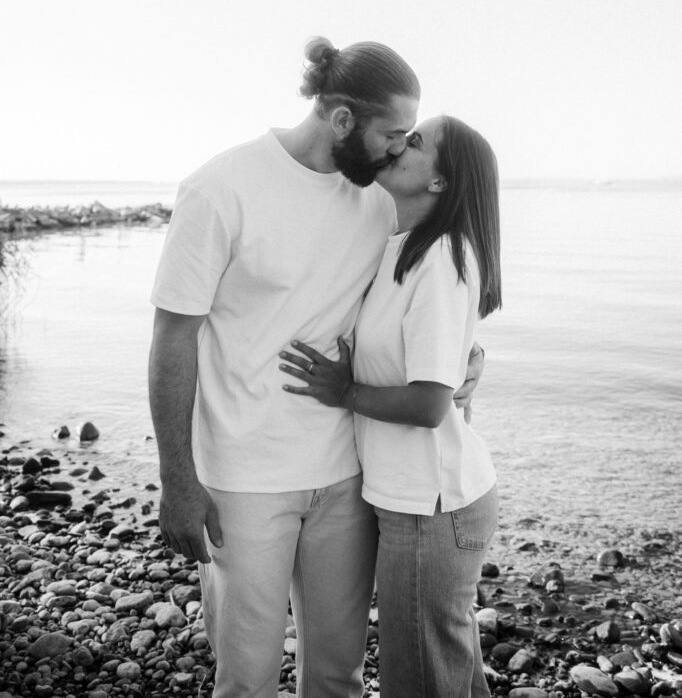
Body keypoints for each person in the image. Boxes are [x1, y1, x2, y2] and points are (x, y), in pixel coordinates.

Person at [148, 38, 484, 698]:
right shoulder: (220, 189)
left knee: (338, 677)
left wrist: (466, 361)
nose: (398, 150)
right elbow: (172, 339)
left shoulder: (380, 202)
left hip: (347, 476)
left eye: (409, 138)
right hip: (245, 479)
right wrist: (177, 478)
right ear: (342, 119)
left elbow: (426, 299)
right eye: (392, 135)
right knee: (246, 679)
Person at [280, 114, 501, 698]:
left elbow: (429, 404)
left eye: (417, 142)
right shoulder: (400, 245)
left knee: (420, 680)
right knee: (449, 676)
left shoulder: (443, 258)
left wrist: (344, 393)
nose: (400, 145)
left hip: (433, 506)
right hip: (411, 499)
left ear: (439, 182)